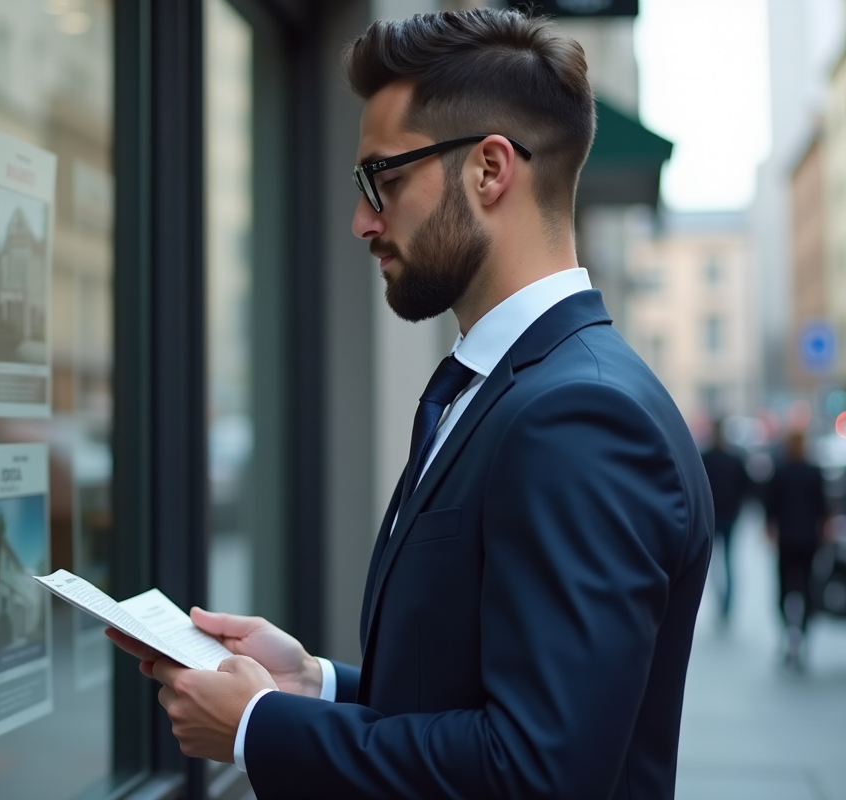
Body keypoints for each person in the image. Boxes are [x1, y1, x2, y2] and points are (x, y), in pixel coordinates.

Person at [108, 9, 713, 798]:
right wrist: (311, 686)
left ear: (490, 170)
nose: (362, 220)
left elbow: (538, 773)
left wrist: (258, 727)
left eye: (382, 178)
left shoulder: (580, 418)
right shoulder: (520, 388)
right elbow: (478, 702)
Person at [765, 429, 829, 670]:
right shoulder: (814, 472)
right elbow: (822, 506)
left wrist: (770, 529)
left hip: (786, 539)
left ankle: (786, 631)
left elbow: (770, 505)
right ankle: (803, 633)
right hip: (809, 539)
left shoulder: (779, 472)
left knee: (783, 587)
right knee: (807, 586)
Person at [701, 418, 753, 624]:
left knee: (716, 564)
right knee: (729, 562)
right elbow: (747, 487)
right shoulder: (735, 458)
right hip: (729, 515)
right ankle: (727, 604)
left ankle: (723, 602)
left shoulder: (706, 457)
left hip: (714, 517)